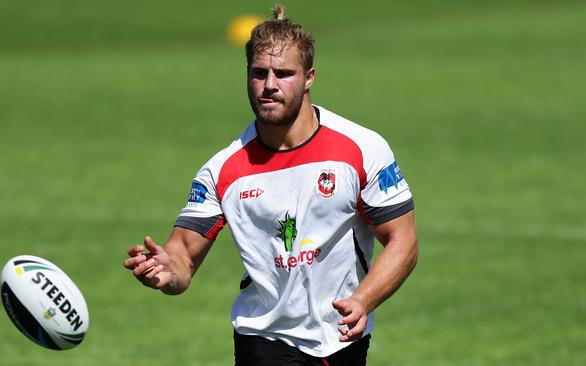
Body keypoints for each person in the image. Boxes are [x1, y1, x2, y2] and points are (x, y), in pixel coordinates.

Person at [123, 5, 418, 365]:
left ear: (309, 77)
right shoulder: (223, 170)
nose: (270, 86)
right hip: (262, 336)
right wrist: (166, 271)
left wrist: (363, 299)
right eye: (259, 73)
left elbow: (403, 241)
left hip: (340, 335)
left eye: (284, 74)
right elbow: (182, 256)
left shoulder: (361, 149)